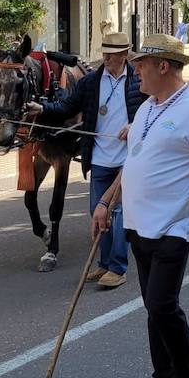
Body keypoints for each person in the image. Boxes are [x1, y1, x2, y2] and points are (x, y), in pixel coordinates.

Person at [91, 33, 189, 378]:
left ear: (163, 66)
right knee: (153, 309)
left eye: (140, 65)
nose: (135, 72)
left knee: (162, 305)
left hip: (174, 227)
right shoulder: (148, 109)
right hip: (138, 225)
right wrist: (106, 203)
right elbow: (132, 164)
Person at [29, 33, 146, 290]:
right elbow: (68, 107)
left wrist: (135, 124)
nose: (106, 58)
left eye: (112, 55)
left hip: (129, 159)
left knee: (118, 213)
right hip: (101, 157)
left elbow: (155, 110)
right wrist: (44, 109)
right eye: (104, 53)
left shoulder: (139, 81)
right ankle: (104, 264)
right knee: (98, 212)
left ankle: (117, 267)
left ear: (124, 55)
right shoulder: (91, 82)